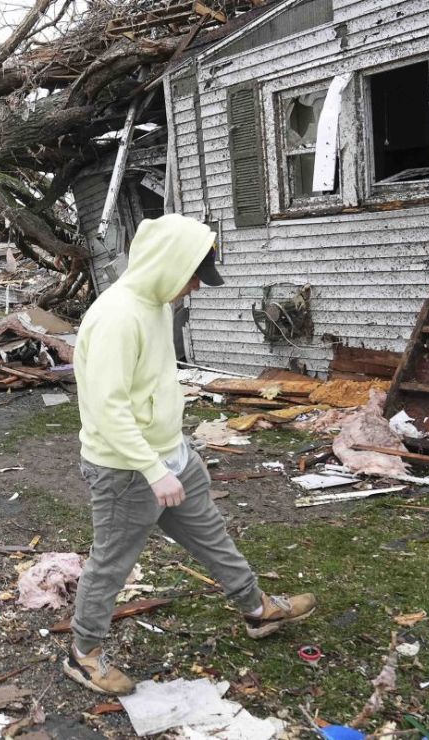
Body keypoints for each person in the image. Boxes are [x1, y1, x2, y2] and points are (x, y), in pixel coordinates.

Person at [62, 214, 317, 696]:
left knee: (211, 536)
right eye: (194, 276)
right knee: (110, 564)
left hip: (170, 456)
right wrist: (154, 471)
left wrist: (174, 452)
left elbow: (152, 384)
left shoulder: (157, 303)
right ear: (167, 265)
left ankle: (257, 609)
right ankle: (84, 654)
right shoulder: (117, 317)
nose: (196, 287)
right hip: (126, 472)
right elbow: (108, 408)